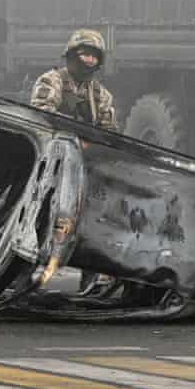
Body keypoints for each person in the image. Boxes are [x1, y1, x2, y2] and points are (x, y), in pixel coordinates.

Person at [31, 28, 118, 293]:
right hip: (51, 166)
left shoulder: (100, 95)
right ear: (71, 55)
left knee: (90, 224)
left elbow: (109, 133)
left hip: (83, 169)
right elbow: (42, 116)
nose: (88, 60)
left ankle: (90, 281)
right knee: (40, 222)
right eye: (84, 54)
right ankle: (26, 274)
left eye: (93, 56)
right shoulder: (52, 81)